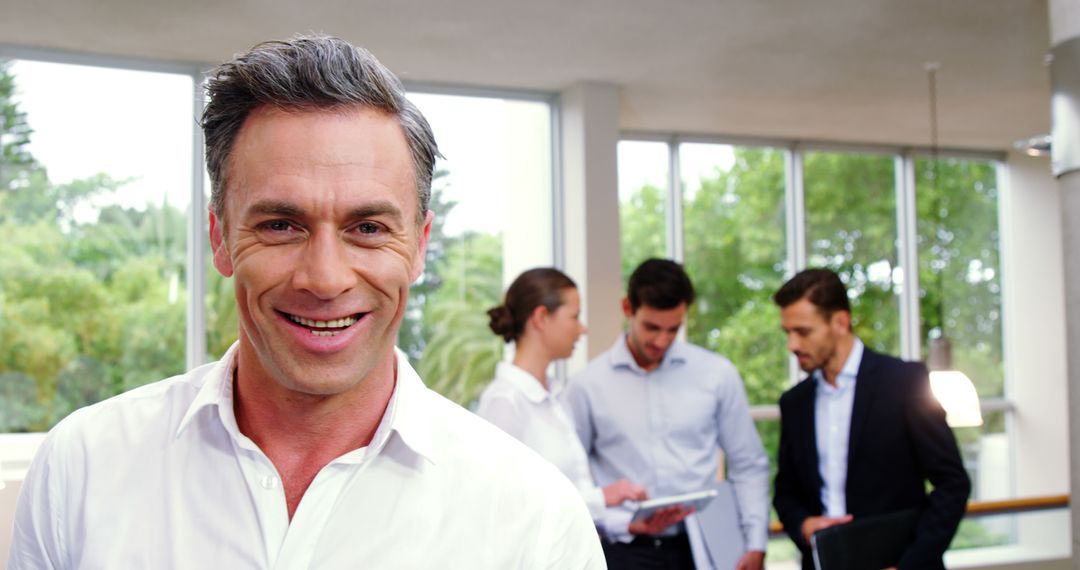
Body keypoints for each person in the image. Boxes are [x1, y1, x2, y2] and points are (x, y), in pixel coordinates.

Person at [8, 35, 603, 569]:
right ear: (220, 239)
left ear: (418, 248)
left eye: (368, 227)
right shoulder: (83, 469)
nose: (324, 278)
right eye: (280, 225)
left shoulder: (535, 521)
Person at [566, 258, 770, 570]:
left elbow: (749, 464)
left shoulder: (717, 374)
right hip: (623, 550)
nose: (662, 340)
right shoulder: (586, 386)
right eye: (651, 327)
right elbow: (572, 480)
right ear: (627, 308)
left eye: (673, 329)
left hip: (704, 548)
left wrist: (756, 543)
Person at [771, 268, 971, 570]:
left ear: (840, 322)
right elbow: (785, 492)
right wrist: (803, 524)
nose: (793, 345)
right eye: (788, 333)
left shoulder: (904, 381)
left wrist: (908, 565)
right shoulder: (794, 402)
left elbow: (952, 484)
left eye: (803, 331)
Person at [476, 267, 658, 525]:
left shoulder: (556, 397)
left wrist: (627, 524)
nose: (582, 329)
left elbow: (571, 505)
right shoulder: (504, 404)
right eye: (574, 316)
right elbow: (505, 506)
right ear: (541, 318)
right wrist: (602, 497)